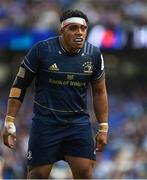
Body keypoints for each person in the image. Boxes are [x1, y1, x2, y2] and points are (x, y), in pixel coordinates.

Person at [2, 9, 108, 179]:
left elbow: (99, 91)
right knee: (38, 175)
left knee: (85, 172)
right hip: (45, 123)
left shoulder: (94, 54)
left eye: (83, 28)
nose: (80, 32)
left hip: (77, 124)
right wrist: (9, 121)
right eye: (74, 28)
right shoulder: (41, 50)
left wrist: (103, 127)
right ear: (62, 30)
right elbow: (19, 85)